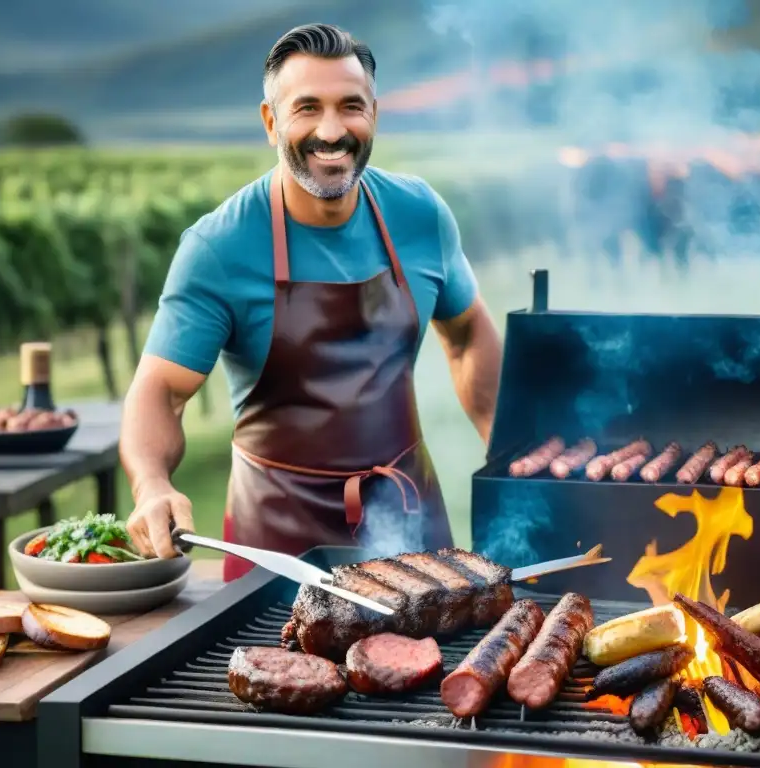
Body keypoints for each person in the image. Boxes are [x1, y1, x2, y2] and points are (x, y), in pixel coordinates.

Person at [120, 23, 503, 580]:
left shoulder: (420, 214)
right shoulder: (220, 247)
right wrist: (152, 485)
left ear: (373, 113)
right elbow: (160, 391)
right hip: (275, 550)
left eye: (351, 106)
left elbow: (468, 337)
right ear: (271, 121)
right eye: (307, 108)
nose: (332, 130)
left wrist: (512, 456)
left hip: (414, 536)